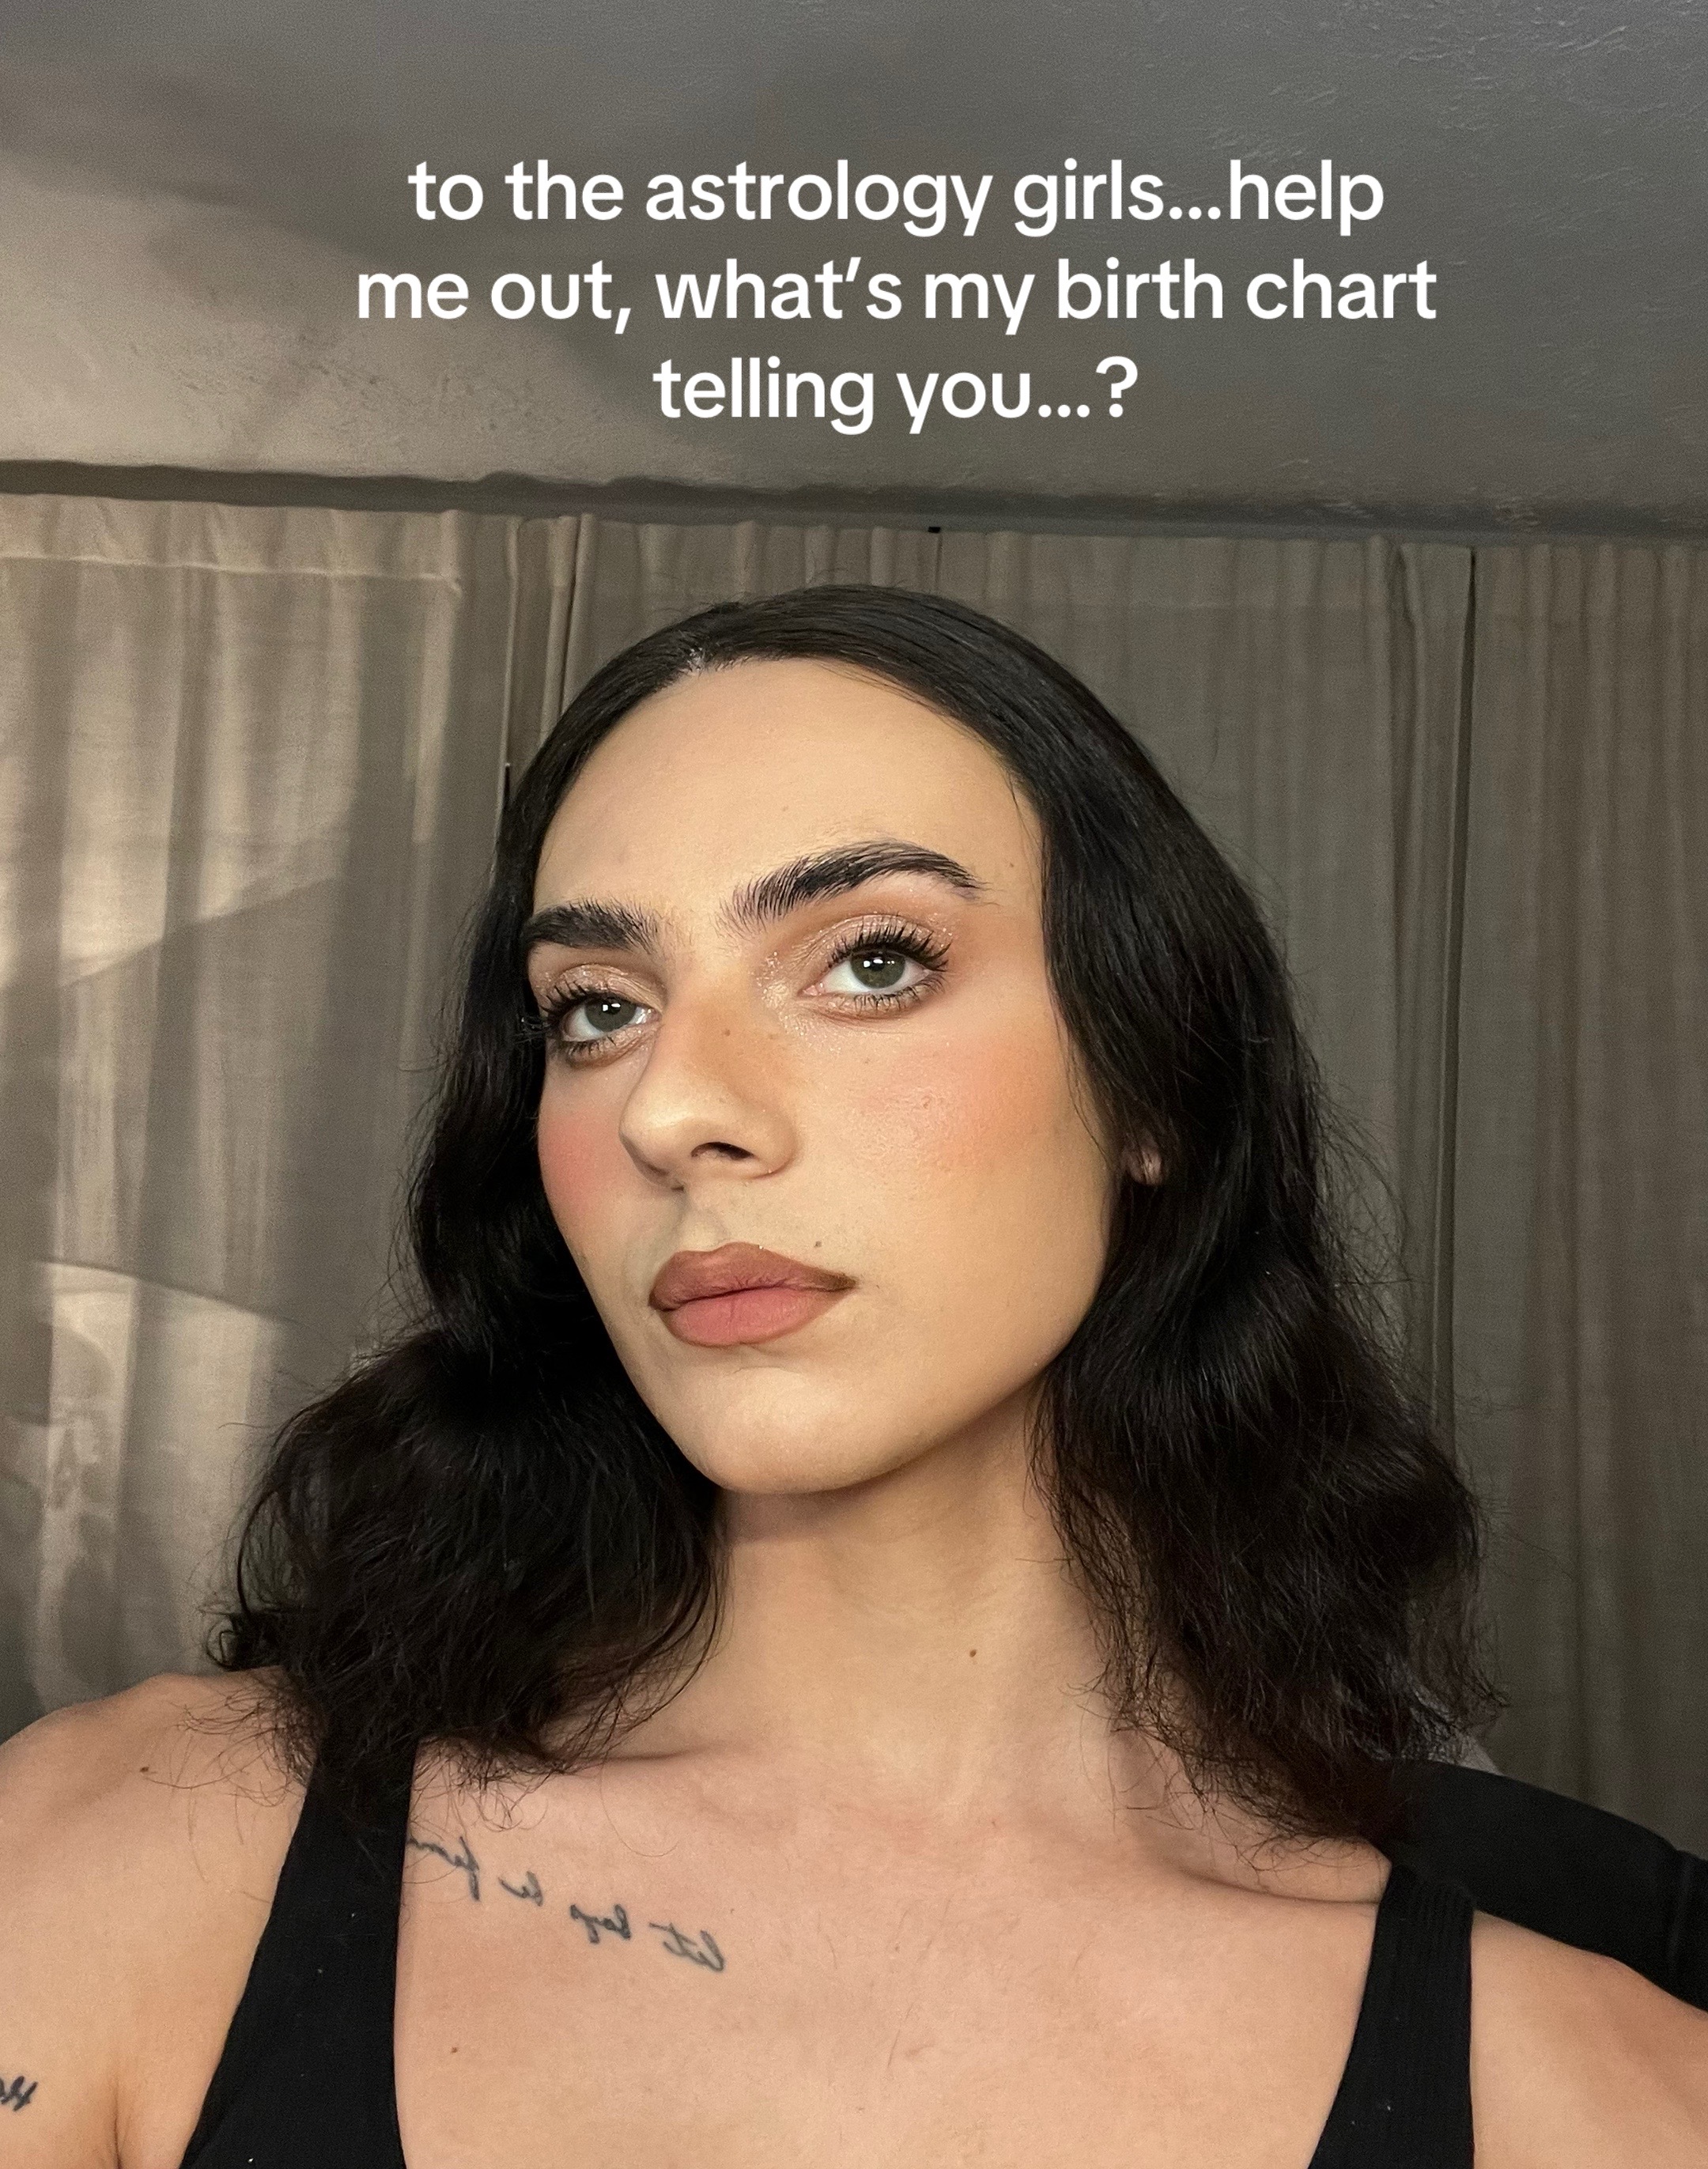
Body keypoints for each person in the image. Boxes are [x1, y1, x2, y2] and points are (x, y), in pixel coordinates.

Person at [1, 584, 1702, 2169]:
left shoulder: (1592, 2090)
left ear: (1152, 1087)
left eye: (872, 961)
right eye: (597, 1009)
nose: (673, 1108)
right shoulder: (132, 1852)